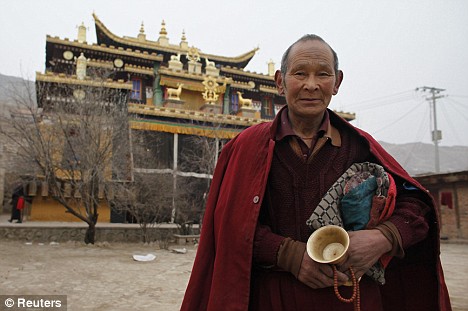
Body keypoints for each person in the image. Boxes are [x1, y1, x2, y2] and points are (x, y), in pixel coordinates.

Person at [181, 35, 451, 310]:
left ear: (337, 82)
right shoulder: (247, 147)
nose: (311, 85)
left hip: (353, 299)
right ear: (279, 81)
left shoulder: (360, 146)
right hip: (276, 298)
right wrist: (290, 255)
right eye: (300, 73)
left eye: (323, 74)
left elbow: (417, 205)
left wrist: (384, 237)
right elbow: (230, 226)